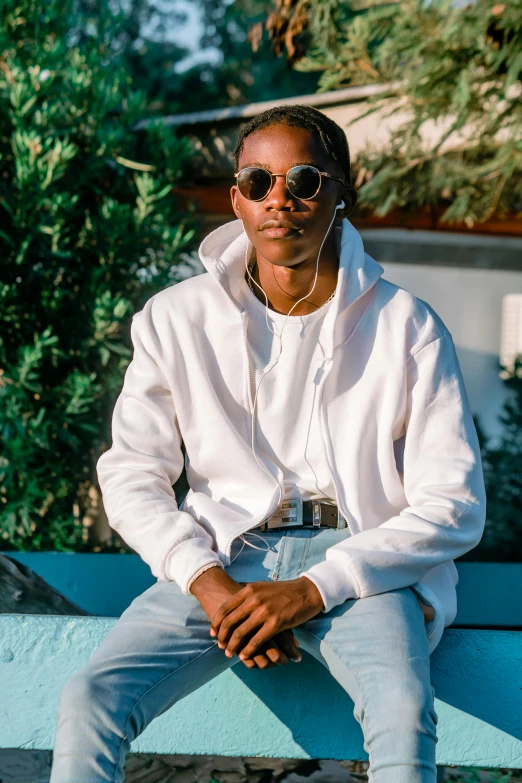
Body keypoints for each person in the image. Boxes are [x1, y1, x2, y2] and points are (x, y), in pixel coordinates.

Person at [49, 105, 486, 783]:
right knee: (89, 699)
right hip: (223, 556)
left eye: (305, 179)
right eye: (258, 181)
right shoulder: (175, 319)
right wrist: (206, 581)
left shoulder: (407, 325)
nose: (279, 199)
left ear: (341, 194)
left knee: (401, 709)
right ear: (237, 199)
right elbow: (132, 473)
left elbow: (454, 502)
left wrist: (314, 587)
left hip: (358, 562)